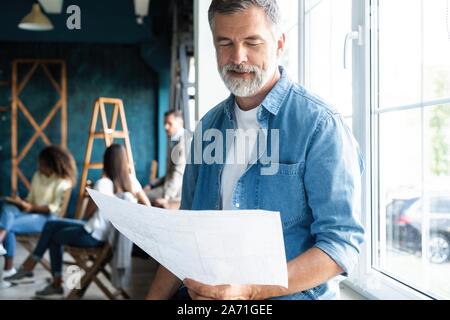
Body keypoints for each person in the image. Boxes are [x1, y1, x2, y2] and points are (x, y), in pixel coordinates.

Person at [146, 0, 365, 300]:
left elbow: (340, 244)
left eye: (252, 42)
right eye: (225, 43)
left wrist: (249, 291)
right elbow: (184, 238)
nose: (238, 57)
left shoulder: (320, 126)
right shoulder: (207, 129)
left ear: (279, 44)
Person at [6, 144, 151, 299]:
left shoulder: (102, 184)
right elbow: (147, 207)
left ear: (106, 162)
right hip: (109, 235)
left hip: (93, 235)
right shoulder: (133, 183)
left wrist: (91, 197)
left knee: (53, 235)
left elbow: (88, 214)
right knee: (51, 225)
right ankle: (33, 268)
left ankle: (53, 281)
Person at [0, 145, 77, 278]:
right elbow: (31, 199)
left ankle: (8, 268)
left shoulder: (63, 181)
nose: (39, 168)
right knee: (8, 207)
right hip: (32, 212)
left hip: (48, 219)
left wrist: (32, 208)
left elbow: (54, 208)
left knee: (9, 226)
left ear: (52, 165)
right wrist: (20, 202)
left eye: (42, 165)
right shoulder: (38, 175)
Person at [145, 110, 188, 208]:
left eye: (169, 123)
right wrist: (152, 185)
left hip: (174, 193)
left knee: (138, 197)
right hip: (168, 187)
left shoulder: (183, 143)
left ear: (180, 123)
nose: (165, 127)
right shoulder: (176, 140)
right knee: (140, 194)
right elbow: (170, 173)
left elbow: (178, 173)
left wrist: (167, 197)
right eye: (164, 123)